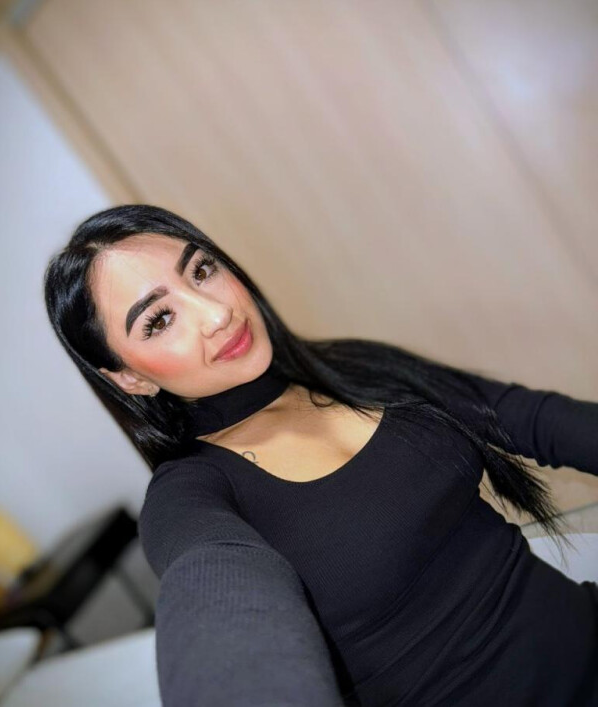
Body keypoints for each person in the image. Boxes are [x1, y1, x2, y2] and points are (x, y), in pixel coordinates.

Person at [44, 203, 598, 706]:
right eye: (159, 320)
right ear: (130, 378)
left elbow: (538, 419)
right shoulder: (190, 497)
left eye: (202, 270)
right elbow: (219, 610)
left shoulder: (356, 368)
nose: (216, 314)